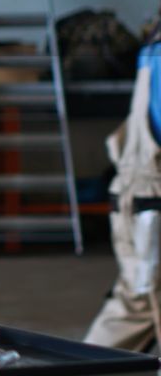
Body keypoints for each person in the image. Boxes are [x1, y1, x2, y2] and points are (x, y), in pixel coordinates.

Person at [85, 32, 161, 351]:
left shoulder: (152, 51)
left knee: (134, 305)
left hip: (139, 199)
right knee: (137, 305)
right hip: (149, 205)